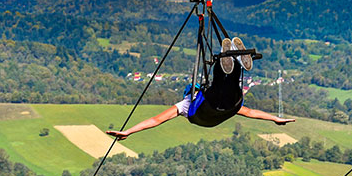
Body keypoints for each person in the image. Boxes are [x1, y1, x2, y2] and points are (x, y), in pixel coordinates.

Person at [106, 37, 294, 140]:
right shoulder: (189, 104)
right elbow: (251, 112)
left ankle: (232, 62)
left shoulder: (186, 105)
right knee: (225, 84)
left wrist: (129, 131)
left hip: (223, 104)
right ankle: (234, 63)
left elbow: (156, 120)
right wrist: (273, 119)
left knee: (225, 85)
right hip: (227, 104)